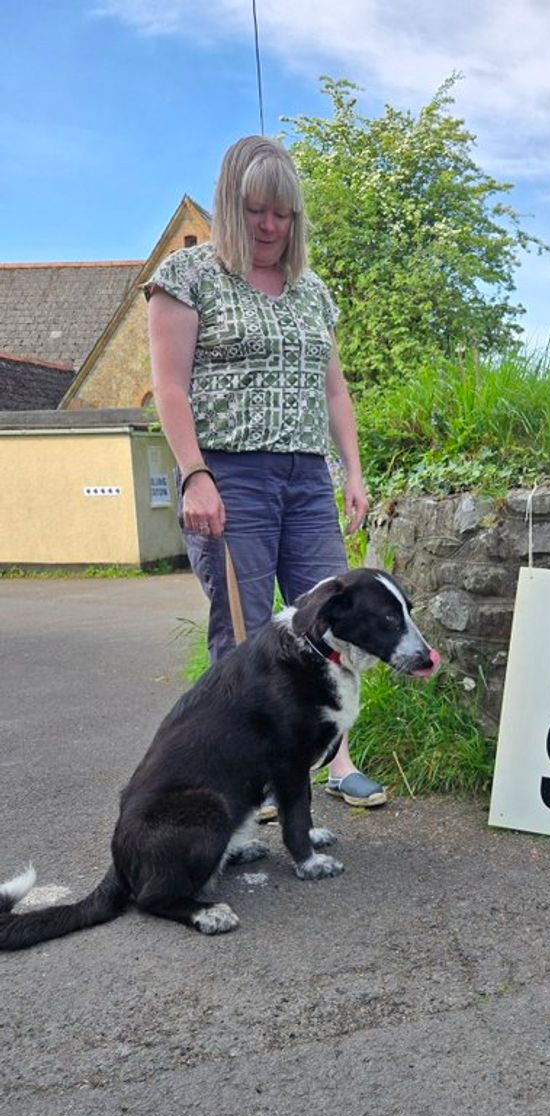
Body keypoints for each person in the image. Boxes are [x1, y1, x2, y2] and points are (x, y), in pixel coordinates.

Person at [145, 134, 385, 809]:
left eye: (284, 213)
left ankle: (335, 763)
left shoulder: (313, 293)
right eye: (256, 210)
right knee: (247, 637)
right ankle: (245, 779)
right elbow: (169, 387)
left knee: (328, 627)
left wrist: (353, 471)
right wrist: (194, 474)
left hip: (306, 480)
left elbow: (334, 390)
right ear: (230, 205)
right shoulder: (186, 278)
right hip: (231, 478)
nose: (271, 226)